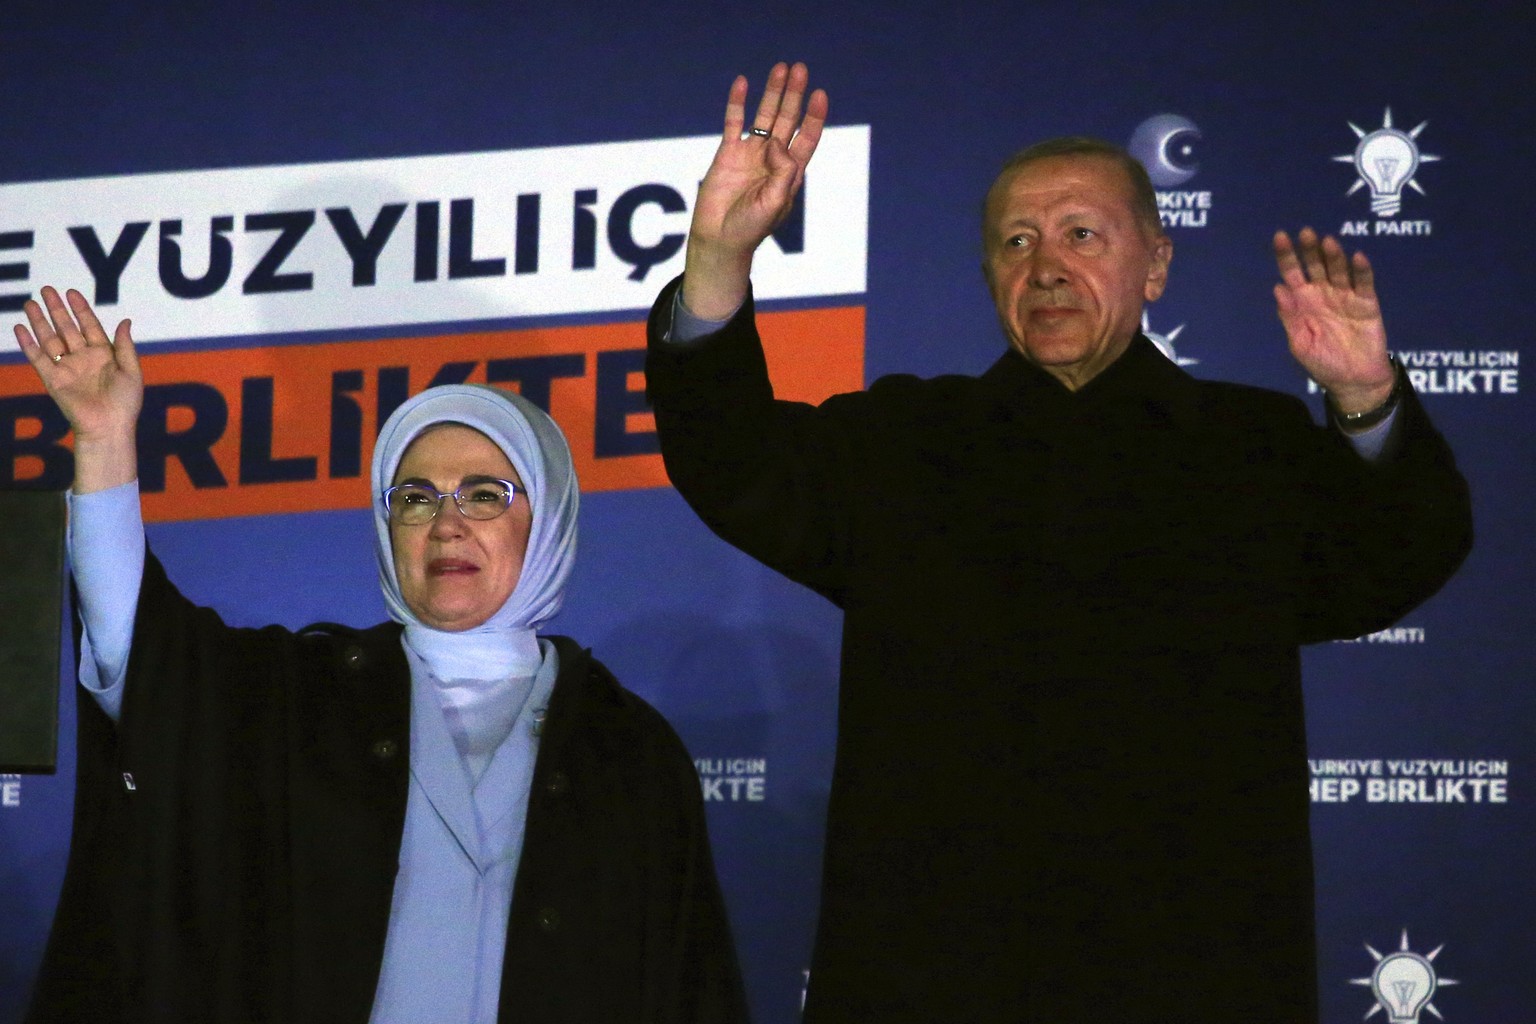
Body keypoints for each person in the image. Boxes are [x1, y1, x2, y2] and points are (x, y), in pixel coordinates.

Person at [644, 63, 1472, 1021]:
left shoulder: (1254, 451)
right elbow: (728, 456)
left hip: (1196, 980)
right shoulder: (904, 445)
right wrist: (715, 261)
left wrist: (1367, 401)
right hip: (930, 982)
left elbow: (1408, 553)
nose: (1047, 267)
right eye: (1018, 241)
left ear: (1155, 264)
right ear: (991, 272)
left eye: (1083, 235)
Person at [16, 287, 748, 1024]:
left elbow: (692, 990)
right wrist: (104, 442)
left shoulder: (629, 750)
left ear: (549, 516)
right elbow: (145, 657)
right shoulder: (298, 700)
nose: (446, 525)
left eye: (484, 494)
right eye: (416, 497)